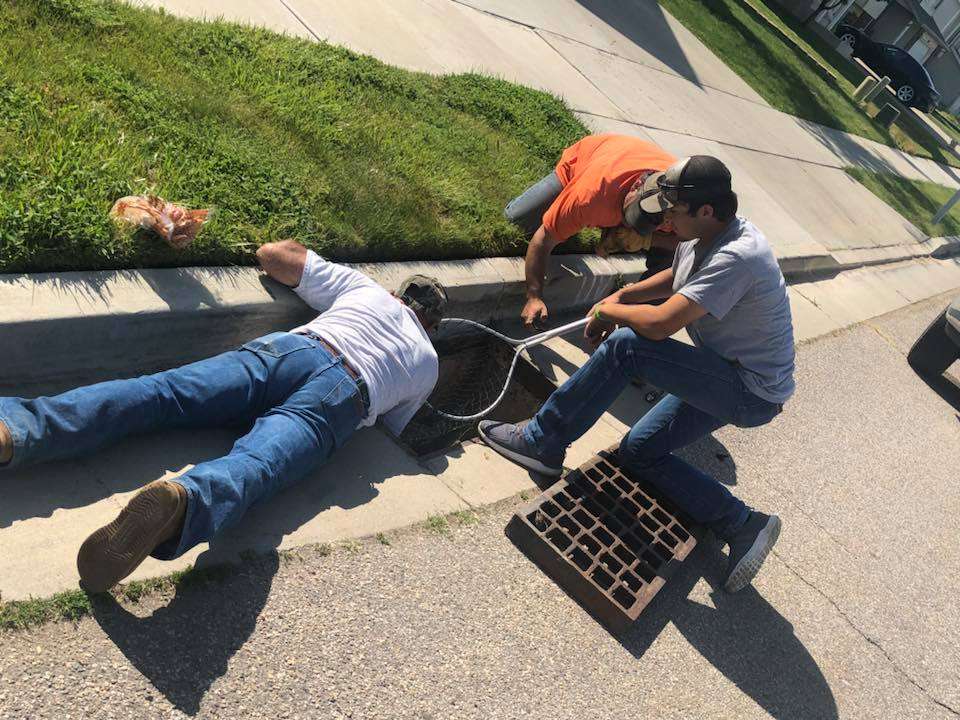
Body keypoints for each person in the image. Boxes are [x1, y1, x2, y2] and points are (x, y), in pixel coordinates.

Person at [0, 240, 447, 592]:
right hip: (344, 396)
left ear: (398, 294)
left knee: (161, 393)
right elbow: (390, 431)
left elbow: (273, 255)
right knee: (257, 466)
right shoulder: (428, 360)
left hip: (292, 351)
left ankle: (18, 431)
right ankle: (182, 502)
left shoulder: (366, 289)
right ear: (431, 326)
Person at [481, 156, 795, 593]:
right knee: (638, 451)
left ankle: (542, 440)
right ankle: (743, 524)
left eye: (673, 211)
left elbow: (662, 323)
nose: (665, 219)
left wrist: (613, 311)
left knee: (628, 346)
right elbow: (677, 277)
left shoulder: (738, 256)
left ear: (706, 210)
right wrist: (625, 294)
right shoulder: (707, 232)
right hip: (729, 373)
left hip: (749, 390)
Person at [505, 133, 681, 328]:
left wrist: (650, 240)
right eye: (633, 217)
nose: (633, 226)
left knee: (676, 265)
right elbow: (543, 240)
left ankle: (631, 323)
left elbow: (690, 248)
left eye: (645, 223)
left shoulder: (680, 210)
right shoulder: (590, 196)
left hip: (644, 159)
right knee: (517, 220)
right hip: (590, 157)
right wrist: (534, 296)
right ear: (636, 185)